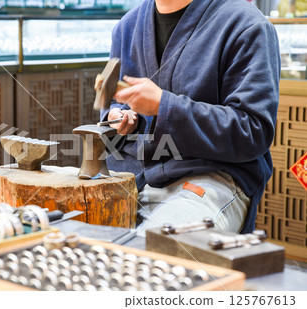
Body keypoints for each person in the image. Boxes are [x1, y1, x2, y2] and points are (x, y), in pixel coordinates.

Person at [101, 0, 281, 235]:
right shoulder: (127, 26)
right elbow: (114, 105)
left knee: (153, 251)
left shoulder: (247, 24)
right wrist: (119, 118)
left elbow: (253, 130)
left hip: (211, 177)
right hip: (132, 176)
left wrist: (163, 105)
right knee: (70, 237)